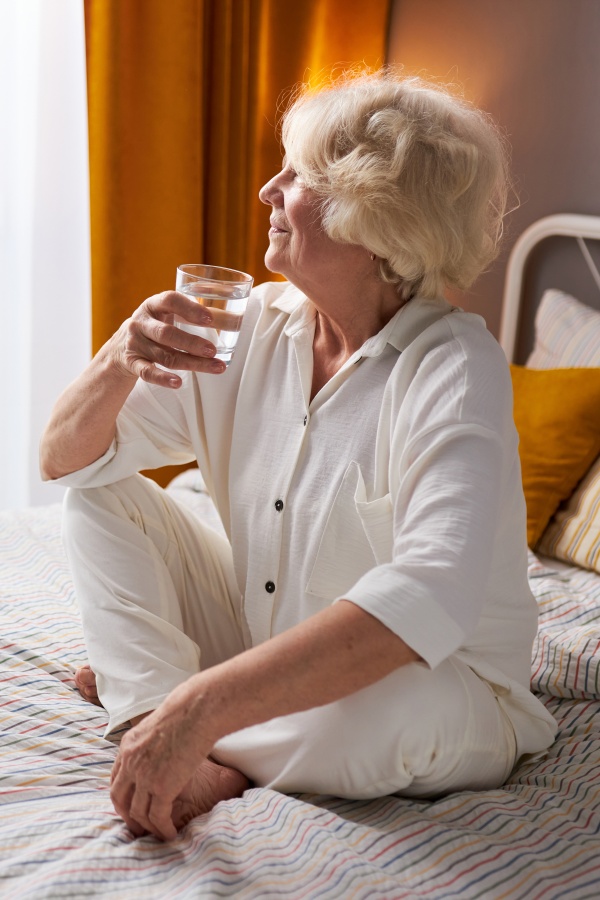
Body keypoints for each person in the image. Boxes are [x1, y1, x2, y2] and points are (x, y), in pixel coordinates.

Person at [40, 69, 556, 843]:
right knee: (101, 497)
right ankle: (156, 719)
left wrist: (198, 705)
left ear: (376, 218)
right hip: (268, 646)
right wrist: (119, 356)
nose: (267, 190)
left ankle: (169, 716)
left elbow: (424, 603)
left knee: (387, 714)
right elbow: (65, 463)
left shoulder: (453, 369)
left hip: (443, 684)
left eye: (300, 176)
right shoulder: (247, 326)